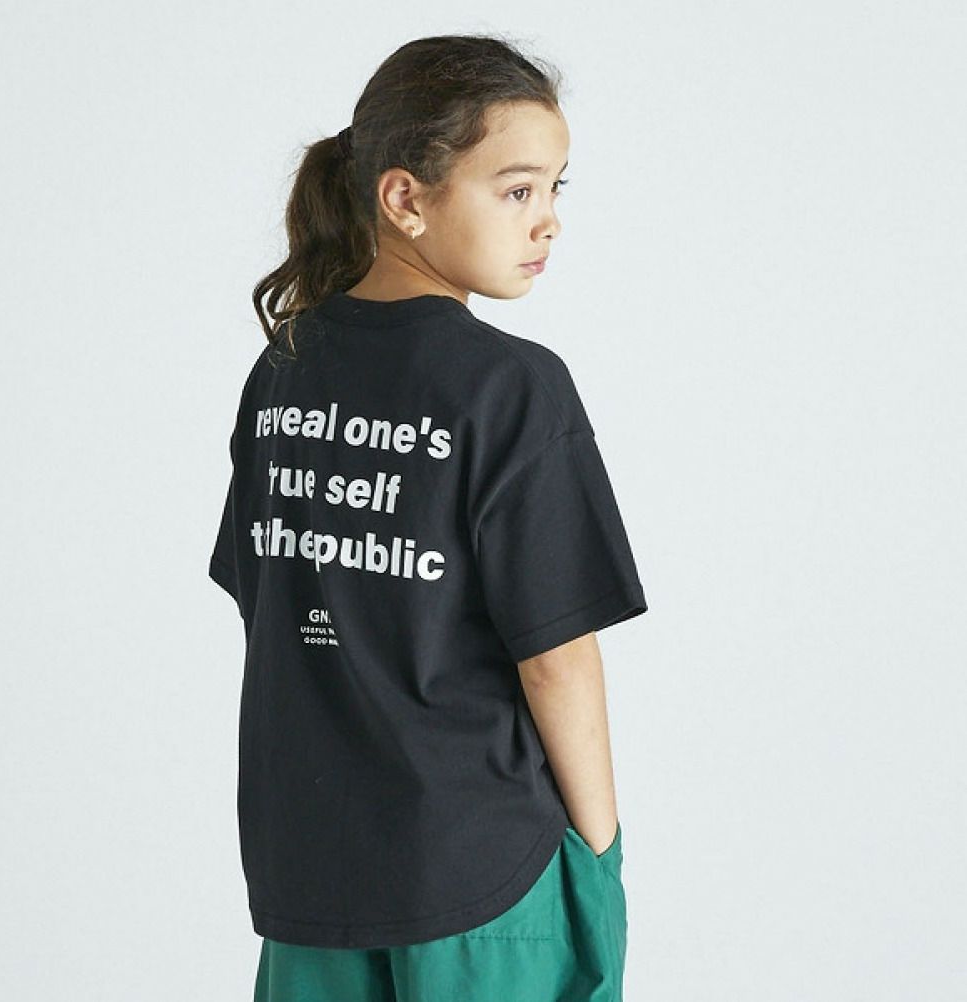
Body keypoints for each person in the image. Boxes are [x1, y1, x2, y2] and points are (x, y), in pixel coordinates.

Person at [208, 31, 648, 1002]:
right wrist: (600, 853)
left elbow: (272, 606)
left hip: (308, 872)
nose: (548, 221)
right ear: (405, 198)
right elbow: (556, 657)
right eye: (517, 190)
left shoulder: (282, 373)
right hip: (482, 877)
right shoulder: (510, 387)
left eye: (555, 189)